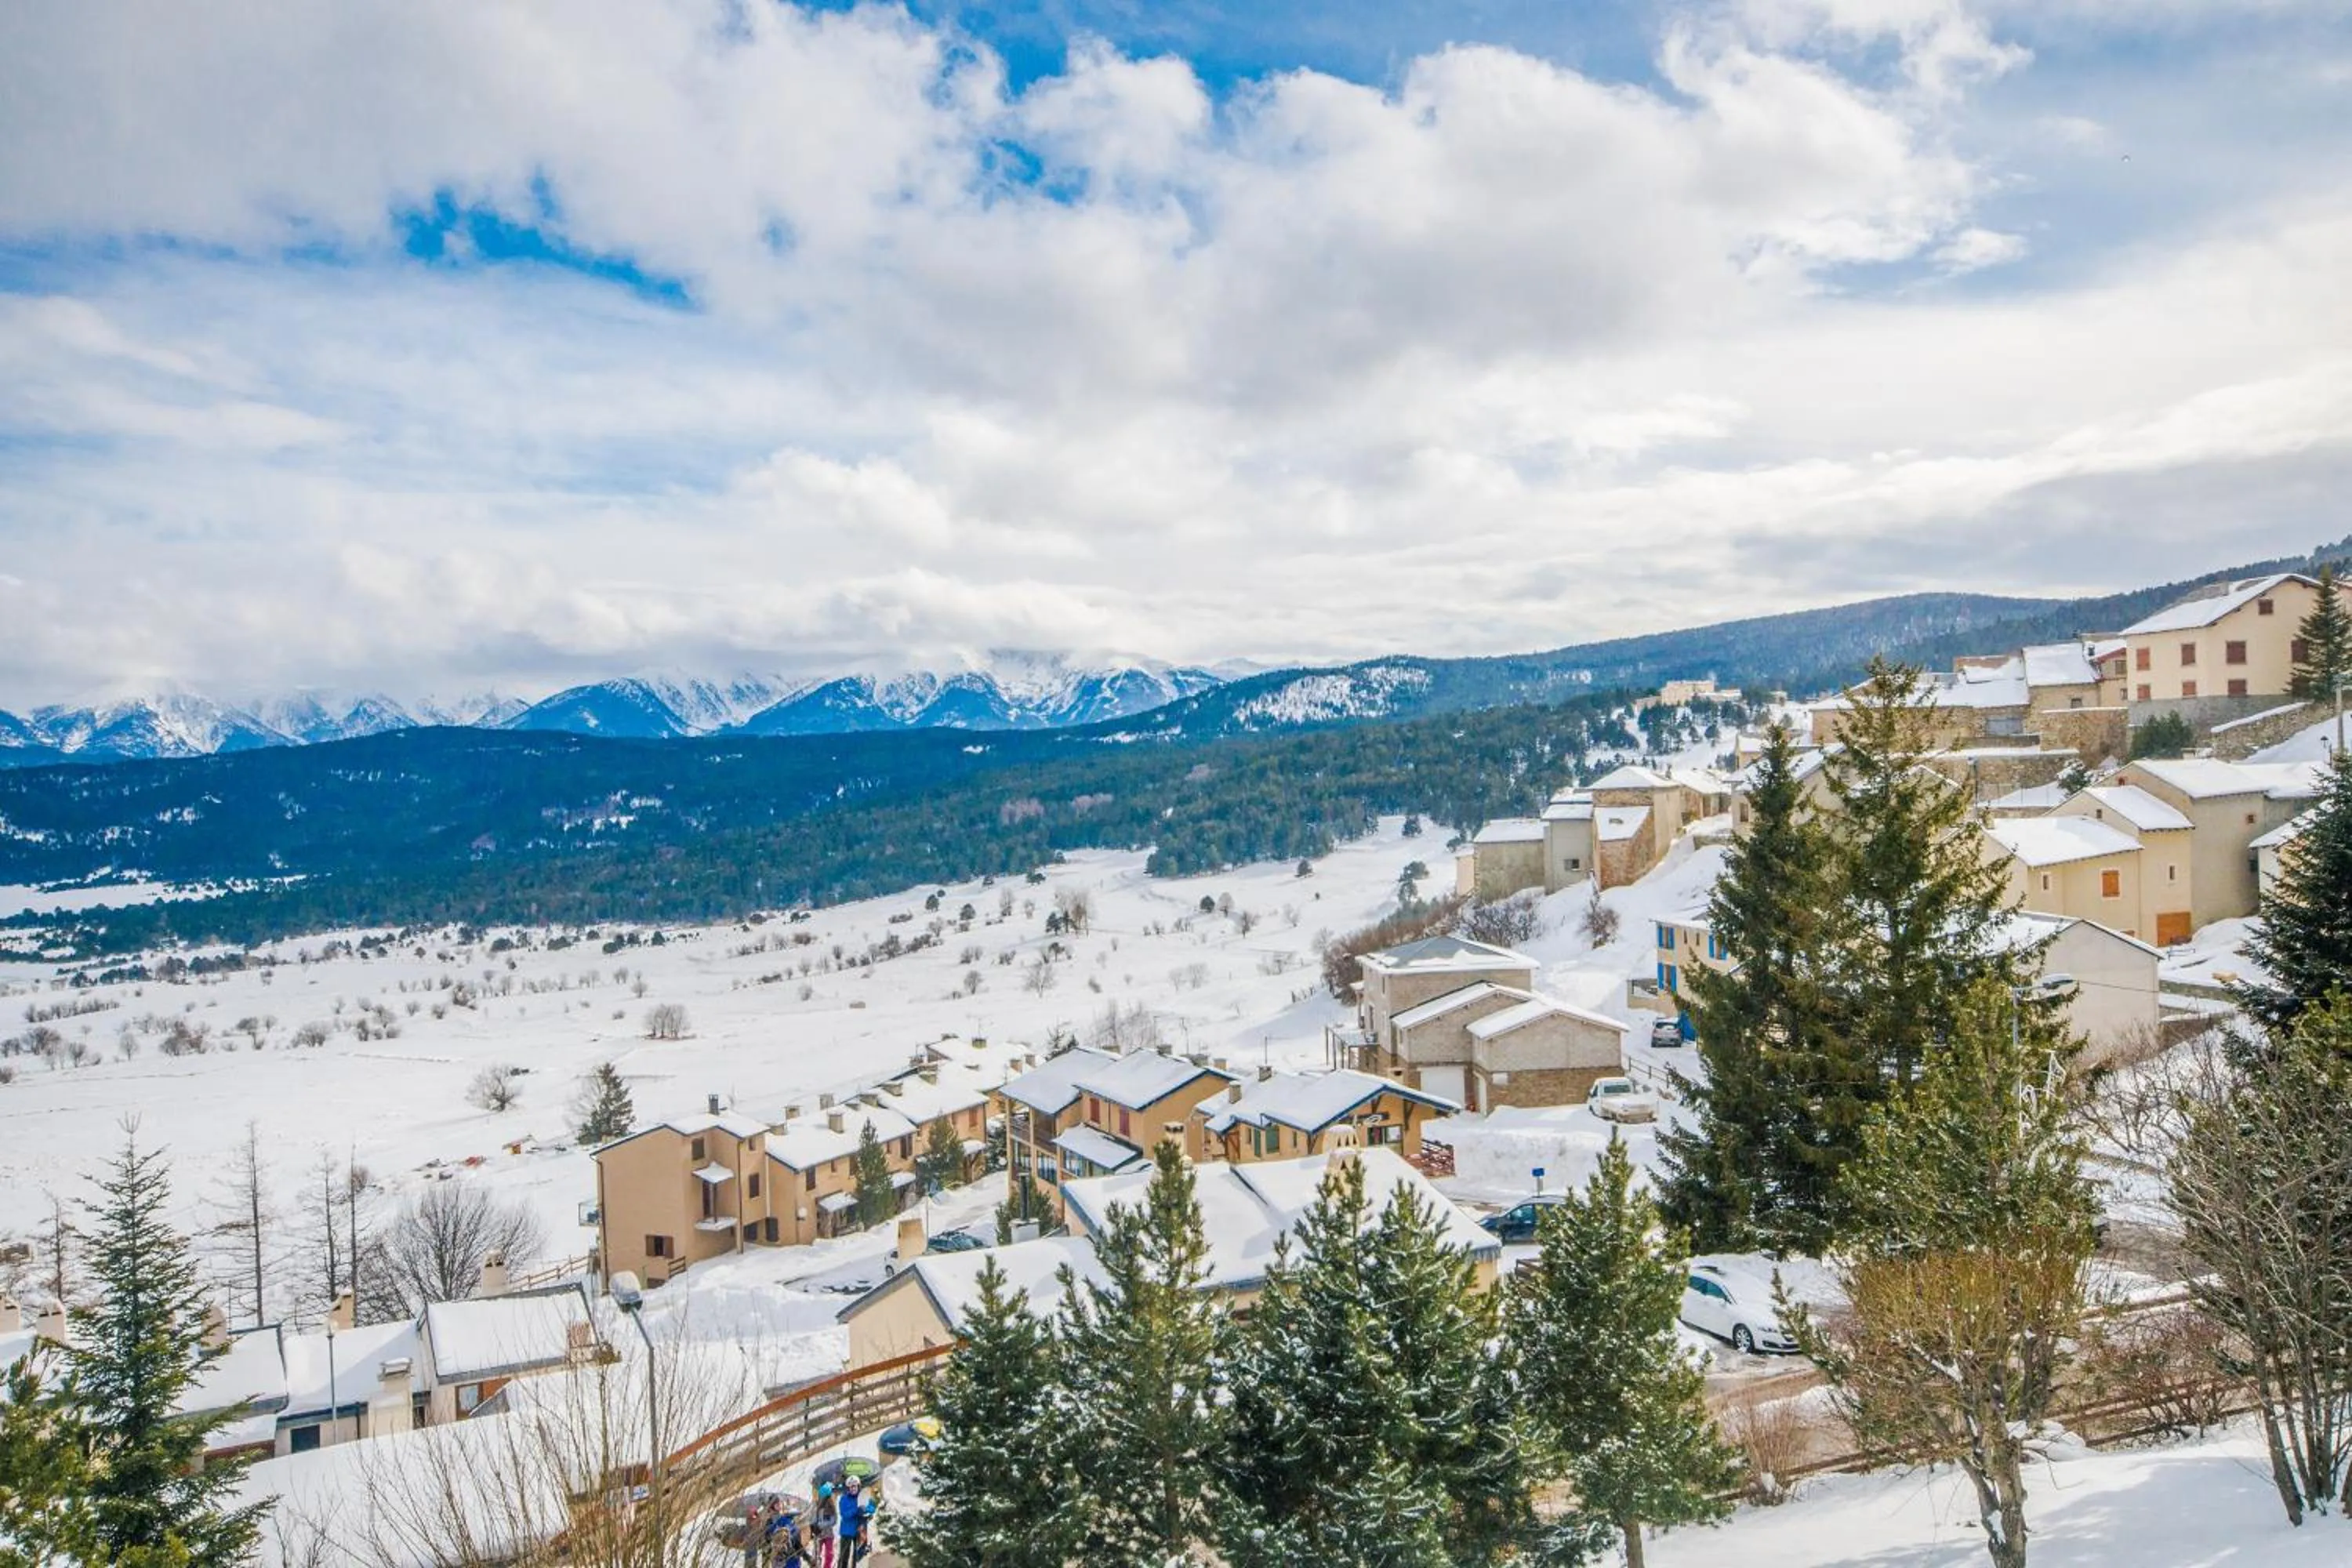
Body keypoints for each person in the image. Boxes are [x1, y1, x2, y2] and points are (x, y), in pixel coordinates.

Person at [837, 1474, 871, 1566]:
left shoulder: (862, 1497)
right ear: (848, 1488)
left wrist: (868, 1512)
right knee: (844, 1557)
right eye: (851, 1487)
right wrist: (856, 1510)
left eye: (855, 1486)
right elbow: (844, 1514)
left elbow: (870, 1507)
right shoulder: (844, 1499)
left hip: (859, 1531)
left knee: (858, 1558)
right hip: (847, 1531)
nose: (853, 1489)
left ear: (858, 1486)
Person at [811, 1483, 837, 1568]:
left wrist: (821, 1525)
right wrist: (813, 1525)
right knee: (816, 1554)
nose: (823, 1499)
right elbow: (813, 1518)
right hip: (818, 1534)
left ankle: (827, 1566)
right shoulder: (816, 1505)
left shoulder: (831, 1507)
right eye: (822, 1496)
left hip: (828, 1534)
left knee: (829, 1555)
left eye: (825, 1497)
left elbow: (834, 1520)